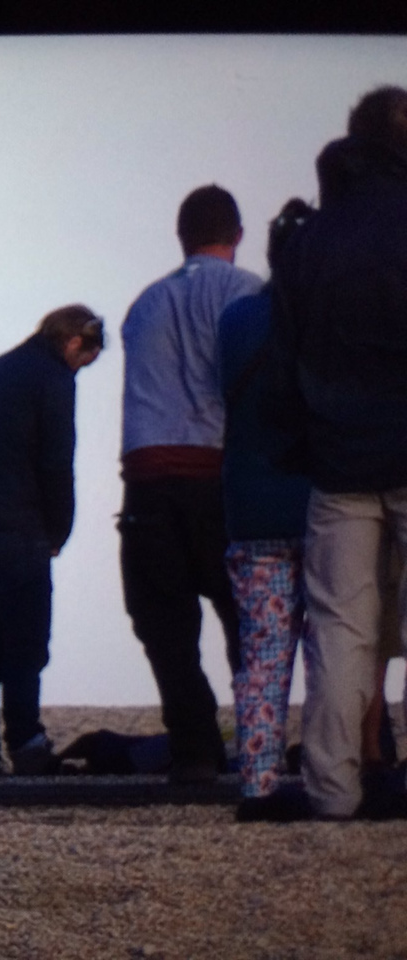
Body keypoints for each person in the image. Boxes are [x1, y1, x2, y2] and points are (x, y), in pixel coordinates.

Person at [265, 85, 407, 820]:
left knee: (340, 631)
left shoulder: (310, 238)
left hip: (339, 460)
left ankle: (331, 790)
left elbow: (282, 357)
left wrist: (306, 443)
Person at [118, 184, 264, 784]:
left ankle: (196, 749)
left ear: (181, 237)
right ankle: (258, 742)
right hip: (219, 477)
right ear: (238, 235)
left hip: (148, 480)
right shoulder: (248, 293)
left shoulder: (145, 304)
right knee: (246, 621)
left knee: (166, 628)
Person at [0, 305, 104, 777]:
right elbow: (57, 461)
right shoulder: (52, 378)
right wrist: (59, 529)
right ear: (75, 343)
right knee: (26, 644)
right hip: (20, 529)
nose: (81, 370)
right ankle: (26, 743)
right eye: (86, 360)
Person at [216, 198, 316, 821]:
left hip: (249, 504)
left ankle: (258, 783)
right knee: (334, 651)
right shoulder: (322, 317)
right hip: (318, 501)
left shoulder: (236, 319)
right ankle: (337, 774)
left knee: (262, 656)